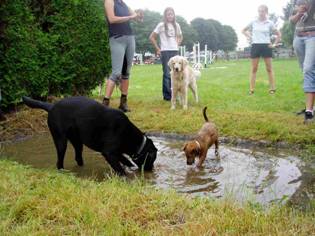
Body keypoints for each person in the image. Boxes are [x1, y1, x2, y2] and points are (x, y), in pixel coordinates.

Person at [103, 0, 143, 112]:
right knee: (116, 73)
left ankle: (123, 103)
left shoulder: (124, 4)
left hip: (130, 38)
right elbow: (112, 19)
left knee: (126, 72)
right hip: (117, 38)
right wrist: (131, 16)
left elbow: (137, 19)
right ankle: (105, 104)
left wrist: (138, 16)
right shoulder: (109, 1)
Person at [242, 5, 281, 95]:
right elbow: (243, 30)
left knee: (269, 69)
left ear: (266, 12)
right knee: (254, 68)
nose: (261, 13)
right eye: (259, 11)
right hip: (255, 46)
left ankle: (272, 88)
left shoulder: (270, 23)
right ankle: (251, 90)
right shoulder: (253, 22)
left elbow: (279, 34)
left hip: (266, 46)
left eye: (262, 11)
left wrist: (274, 44)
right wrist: (250, 37)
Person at [149, 7, 183, 101]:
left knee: (177, 73)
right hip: (165, 51)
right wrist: (158, 48)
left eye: (171, 14)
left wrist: (177, 44)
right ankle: (167, 96)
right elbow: (151, 37)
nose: (170, 16)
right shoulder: (161, 25)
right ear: (165, 15)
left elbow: (180, 36)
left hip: (175, 51)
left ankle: (176, 94)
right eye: (168, 14)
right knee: (167, 74)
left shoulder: (177, 25)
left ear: (174, 15)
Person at [290, 0, 315, 123]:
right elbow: (292, 20)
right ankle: (311, 107)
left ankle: (309, 111)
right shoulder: (297, 1)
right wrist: (299, 13)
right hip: (298, 37)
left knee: (308, 69)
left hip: (313, 36)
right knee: (306, 71)